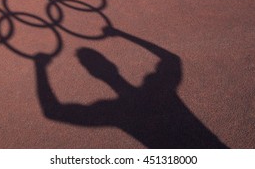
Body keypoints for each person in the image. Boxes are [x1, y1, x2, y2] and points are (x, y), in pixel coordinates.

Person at [34, 26, 227, 148]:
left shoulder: (115, 112)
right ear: (112, 66)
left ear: (93, 75)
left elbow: (54, 112)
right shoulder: (160, 90)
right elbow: (171, 59)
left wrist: (40, 67)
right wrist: (120, 33)